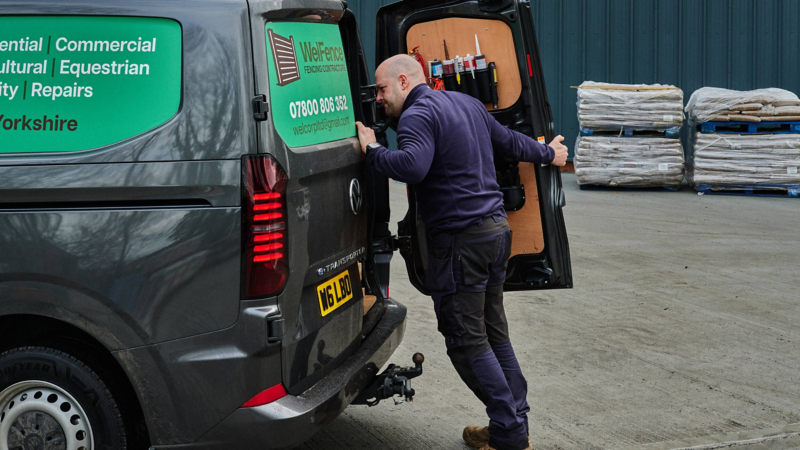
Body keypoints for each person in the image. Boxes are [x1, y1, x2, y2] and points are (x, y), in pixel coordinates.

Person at [355, 54, 568, 450]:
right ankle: (512, 424)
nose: (378, 98)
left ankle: (509, 433)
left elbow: (413, 166)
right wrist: (547, 153)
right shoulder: (467, 103)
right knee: (494, 333)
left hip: (461, 245)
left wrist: (372, 149)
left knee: (467, 340)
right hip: (495, 233)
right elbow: (510, 142)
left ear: (404, 81)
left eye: (382, 89)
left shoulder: (417, 115)